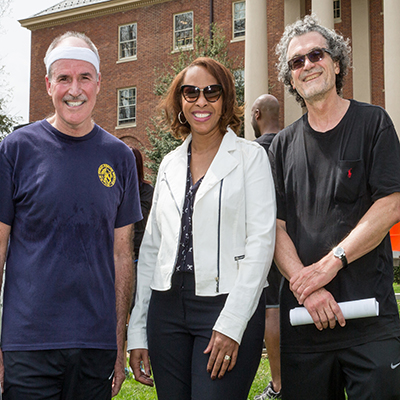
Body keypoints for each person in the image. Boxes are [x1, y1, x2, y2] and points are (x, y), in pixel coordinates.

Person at [0, 31, 142, 399]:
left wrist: (117, 339)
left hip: (95, 346)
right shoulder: (14, 151)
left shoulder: (120, 157)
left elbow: (122, 254)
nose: (74, 89)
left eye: (84, 77)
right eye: (64, 78)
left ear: (99, 82)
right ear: (48, 84)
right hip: (27, 344)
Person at [127, 57, 276, 400]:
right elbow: (152, 249)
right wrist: (137, 332)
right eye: (190, 92)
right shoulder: (169, 164)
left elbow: (261, 243)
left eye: (212, 91)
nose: (201, 101)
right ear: (179, 102)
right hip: (166, 310)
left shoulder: (250, 158)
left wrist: (232, 323)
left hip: (226, 302)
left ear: (225, 99)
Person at [269, 14, 400, 400]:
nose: (308, 65)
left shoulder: (373, 123)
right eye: (297, 62)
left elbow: (390, 204)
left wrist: (328, 266)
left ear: (337, 62)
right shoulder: (281, 147)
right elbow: (274, 229)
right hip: (304, 323)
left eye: (316, 54)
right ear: (291, 78)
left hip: (370, 321)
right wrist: (308, 289)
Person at [251, 94, 282, 400]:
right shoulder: (294, 143)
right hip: (299, 238)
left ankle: (278, 383)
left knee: (271, 310)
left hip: (268, 241)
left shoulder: (253, 153)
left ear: (256, 114)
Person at [129, 146, 154, 310]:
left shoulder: (146, 191)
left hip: (138, 254)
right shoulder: (113, 188)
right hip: (113, 255)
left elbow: (142, 216)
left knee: (135, 304)